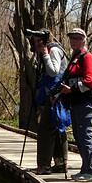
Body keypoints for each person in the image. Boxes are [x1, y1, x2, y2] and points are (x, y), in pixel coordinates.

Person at [59, 28, 92, 182]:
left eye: (77, 38)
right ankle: (85, 169)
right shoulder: (75, 58)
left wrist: (72, 90)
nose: (74, 41)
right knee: (79, 135)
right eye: (72, 38)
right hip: (76, 103)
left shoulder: (87, 57)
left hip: (86, 102)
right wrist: (60, 94)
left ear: (84, 40)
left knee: (85, 135)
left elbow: (90, 81)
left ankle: (91, 171)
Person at [33, 29, 69, 175]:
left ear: (47, 40)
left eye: (39, 41)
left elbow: (53, 72)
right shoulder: (52, 49)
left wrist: (45, 55)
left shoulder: (53, 51)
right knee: (57, 128)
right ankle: (60, 164)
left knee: (46, 130)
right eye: (35, 41)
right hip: (53, 94)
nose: (37, 44)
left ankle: (44, 165)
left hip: (56, 96)